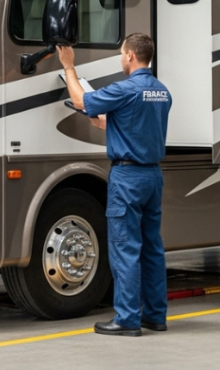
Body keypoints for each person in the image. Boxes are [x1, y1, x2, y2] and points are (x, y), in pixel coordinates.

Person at [57, 32, 173, 337]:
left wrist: (69, 67)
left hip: (128, 178)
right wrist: (102, 121)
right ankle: (156, 316)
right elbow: (136, 124)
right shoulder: (162, 92)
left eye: (122, 53)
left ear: (131, 56)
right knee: (151, 248)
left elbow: (82, 100)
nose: (122, 58)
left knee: (126, 248)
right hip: (152, 177)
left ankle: (127, 319)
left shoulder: (126, 89)